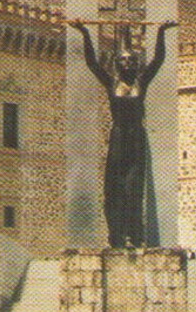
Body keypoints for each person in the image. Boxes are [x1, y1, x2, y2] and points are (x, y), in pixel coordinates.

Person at [70, 18, 177, 248]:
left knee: (134, 189)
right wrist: (85, 33)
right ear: (118, 63)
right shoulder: (112, 84)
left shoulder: (141, 82)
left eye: (132, 60)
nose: (128, 62)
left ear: (137, 64)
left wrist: (161, 32)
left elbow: (158, 60)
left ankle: (136, 236)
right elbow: (92, 63)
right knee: (114, 188)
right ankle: (116, 236)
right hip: (119, 137)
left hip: (137, 138)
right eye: (124, 60)